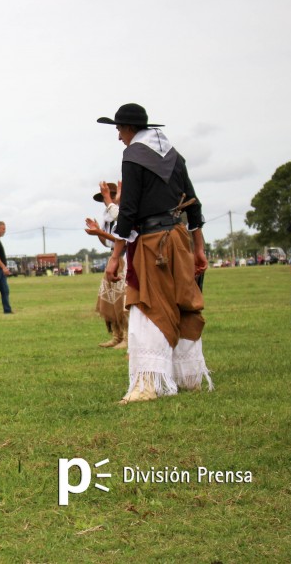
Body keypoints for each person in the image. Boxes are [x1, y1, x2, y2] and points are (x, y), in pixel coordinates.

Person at [97, 103, 212, 404]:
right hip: (178, 239)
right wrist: (198, 247)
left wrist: (114, 256)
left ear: (129, 128)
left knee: (147, 307)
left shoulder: (133, 155)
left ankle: (147, 385)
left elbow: (129, 211)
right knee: (183, 303)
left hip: (151, 244)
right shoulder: (175, 156)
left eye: (119, 129)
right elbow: (193, 203)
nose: (119, 136)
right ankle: (188, 377)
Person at [85, 181, 128, 349]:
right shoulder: (107, 216)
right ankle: (117, 335)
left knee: (123, 300)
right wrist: (98, 232)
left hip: (124, 258)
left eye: (108, 196)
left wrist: (99, 232)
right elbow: (107, 242)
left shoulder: (123, 213)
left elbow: (122, 240)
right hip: (114, 257)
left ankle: (127, 337)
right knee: (109, 299)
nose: (105, 200)